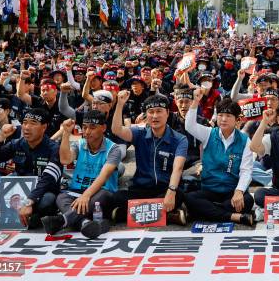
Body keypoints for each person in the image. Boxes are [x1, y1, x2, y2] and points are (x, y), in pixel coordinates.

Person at [112, 92, 188, 225]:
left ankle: (128, 214)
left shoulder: (180, 139)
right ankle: (167, 216)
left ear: (167, 113)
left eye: (159, 111)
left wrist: (171, 191)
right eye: (151, 112)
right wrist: (119, 105)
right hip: (141, 188)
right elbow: (116, 130)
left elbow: (178, 168)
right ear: (146, 115)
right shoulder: (139, 133)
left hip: (165, 188)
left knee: (178, 195)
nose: (155, 116)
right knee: (117, 197)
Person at [42, 111, 120, 238]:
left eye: (92, 127)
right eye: (84, 127)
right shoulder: (79, 144)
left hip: (100, 192)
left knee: (102, 196)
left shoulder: (114, 149)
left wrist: (86, 195)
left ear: (103, 128)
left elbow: (103, 177)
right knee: (61, 197)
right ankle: (85, 223)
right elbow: (65, 160)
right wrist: (66, 133)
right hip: (77, 192)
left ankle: (62, 221)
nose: (87, 131)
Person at [0, 108, 62, 228]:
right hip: (16, 195)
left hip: (40, 194)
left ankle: (20, 216)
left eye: (33, 123)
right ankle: (27, 218)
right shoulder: (17, 144)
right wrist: (1, 137)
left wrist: (29, 201)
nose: (27, 127)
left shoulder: (54, 148)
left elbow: (48, 179)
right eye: (24, 123)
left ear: (44, 127)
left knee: (49, 199)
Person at [184, 94, 255, 225]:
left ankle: (205, 211)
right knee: (190, 197)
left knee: (248, 200)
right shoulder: (209, 133)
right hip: (209, 189)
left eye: (228, 116)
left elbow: (246, 171)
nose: (223, 119)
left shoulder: (245, 140)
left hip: (231, 191)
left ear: (237, 119)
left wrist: (239, 192)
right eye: (220, 115)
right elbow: (189, 125)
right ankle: (233, 217)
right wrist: (195, 101)